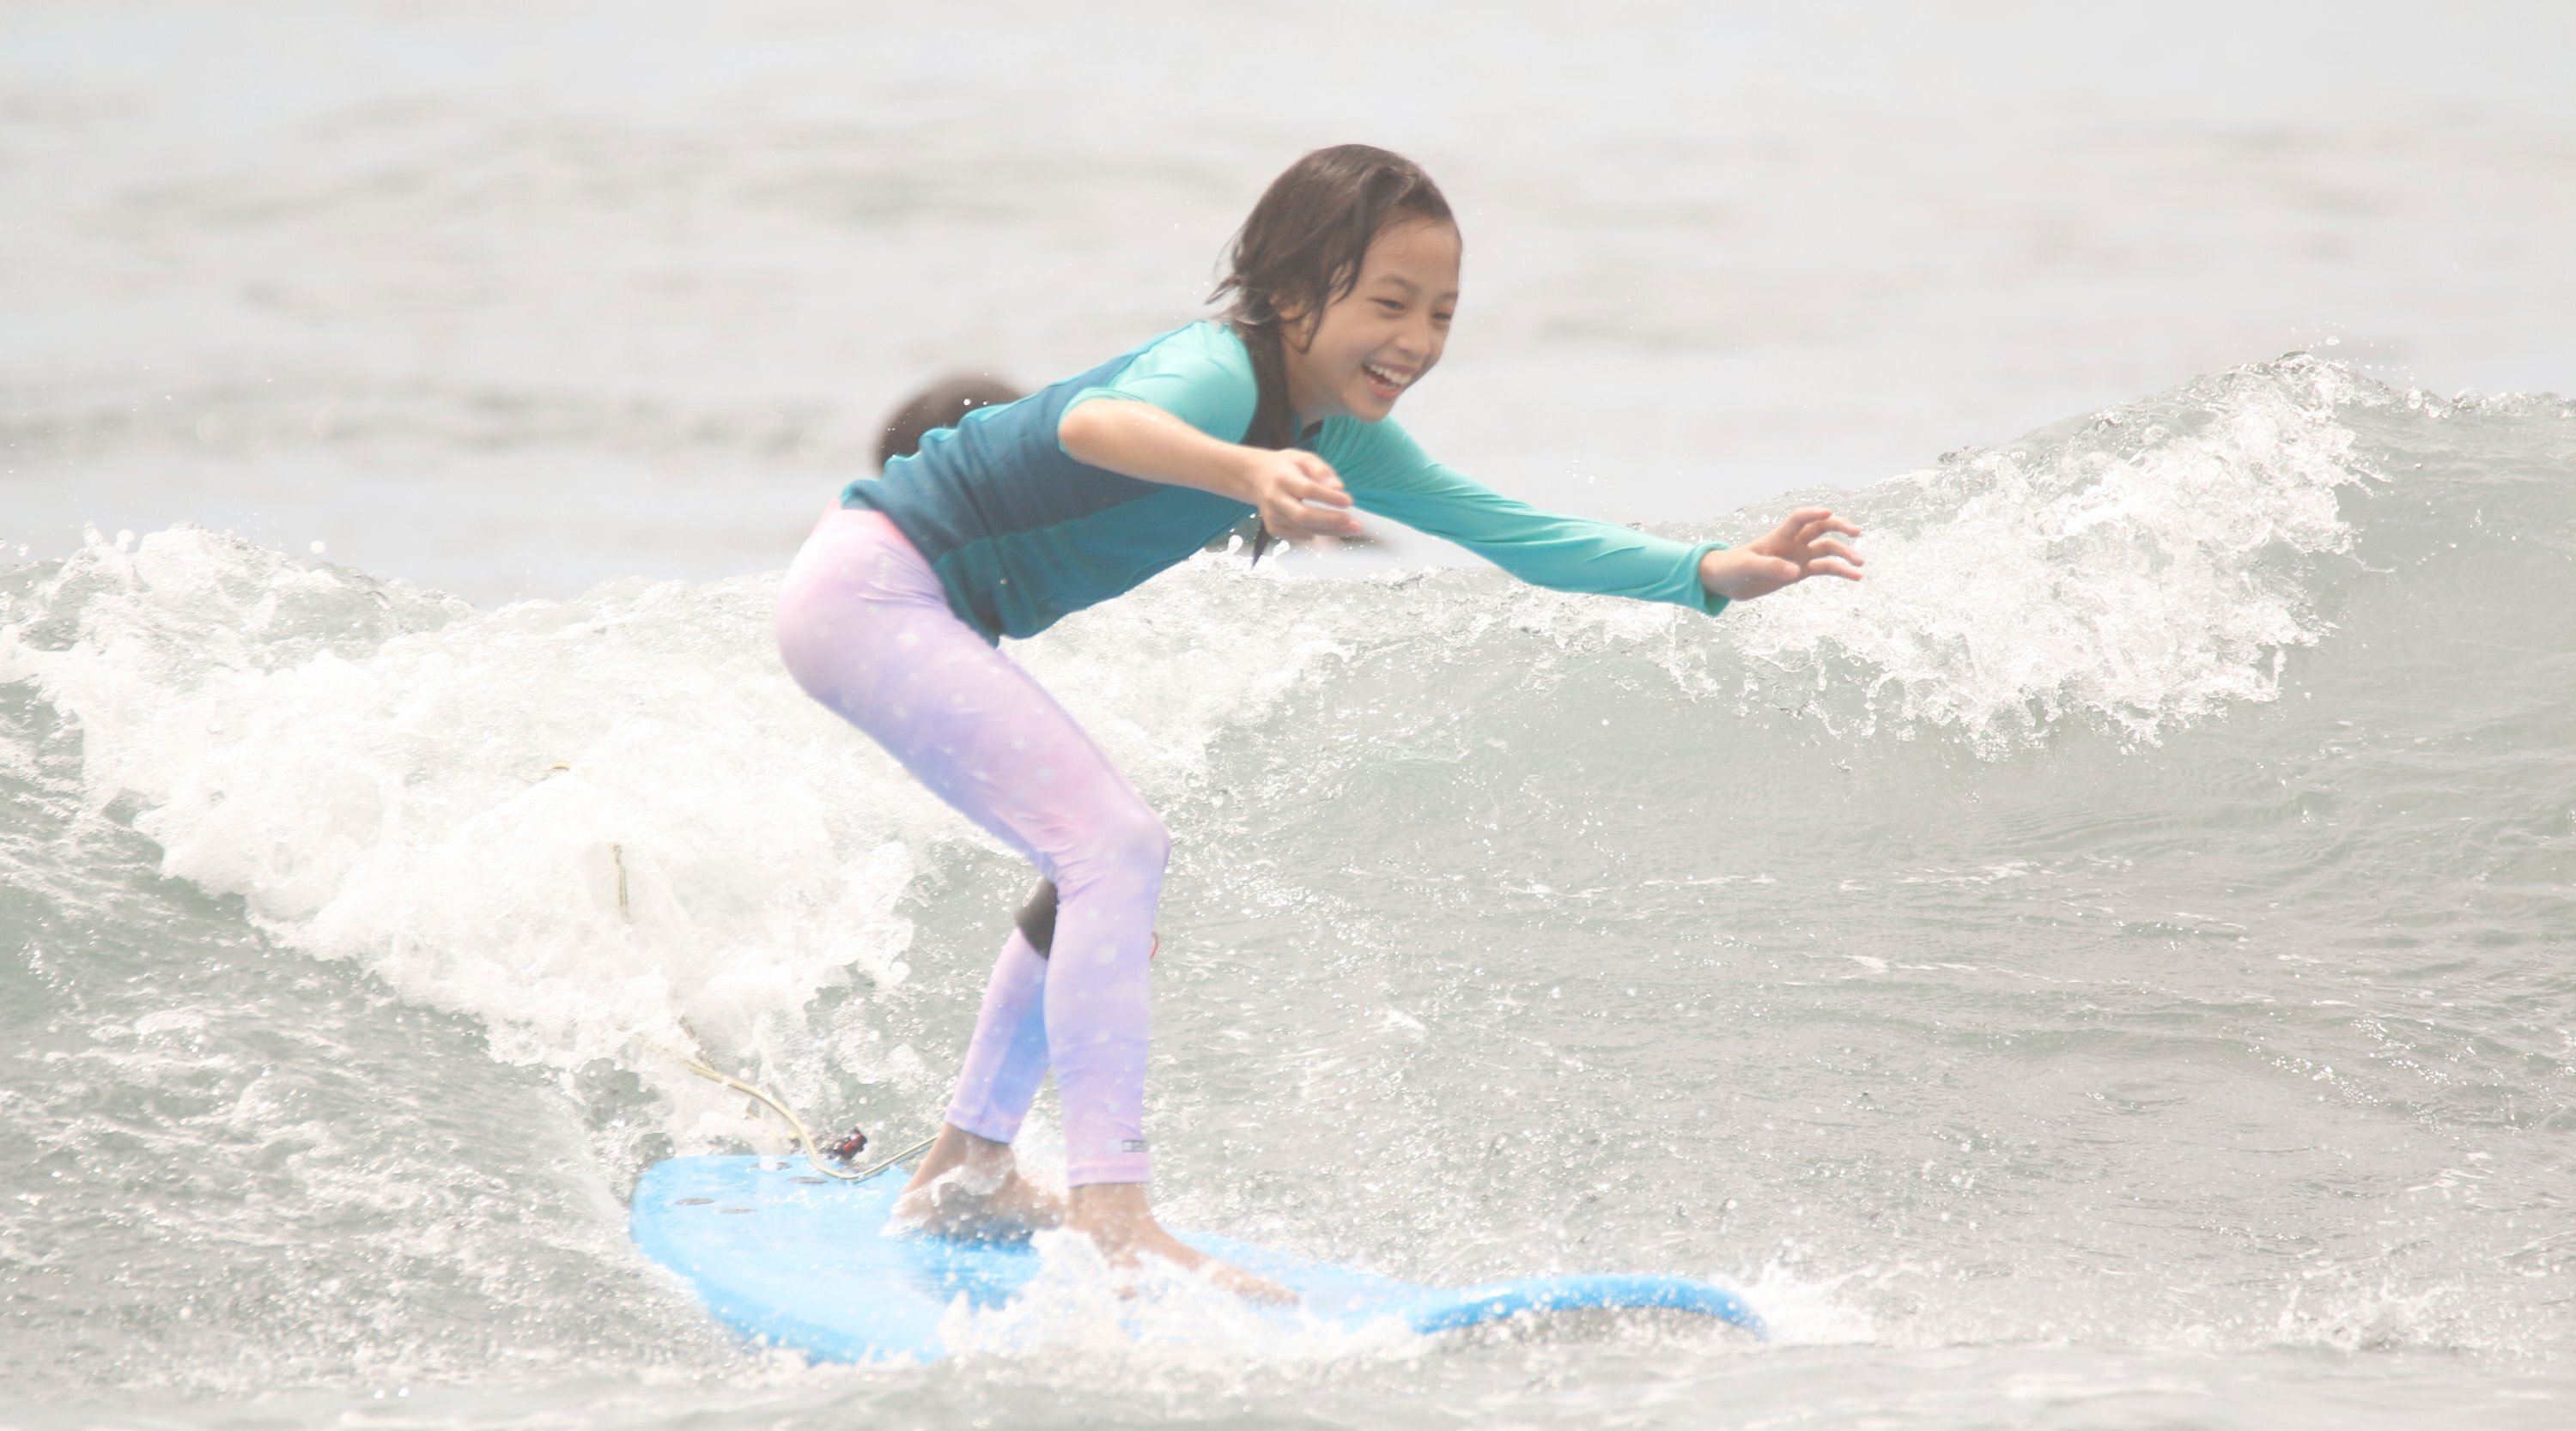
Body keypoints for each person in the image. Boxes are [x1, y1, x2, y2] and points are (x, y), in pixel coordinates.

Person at [773, 144, 1862, 1300]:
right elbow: (1096, 426)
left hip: (914, 599)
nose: (1419, 339)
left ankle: (970, 1175)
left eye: (1442, 312)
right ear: (1292, 293)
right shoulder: (1215, 377)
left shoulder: (1337, 431)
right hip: (873, 588)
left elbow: (1508, 529)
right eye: (1389, 302)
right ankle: (1112, 1213)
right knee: (1116, 848)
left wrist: (1708, 569)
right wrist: (1245, 467)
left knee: (1092, 876)